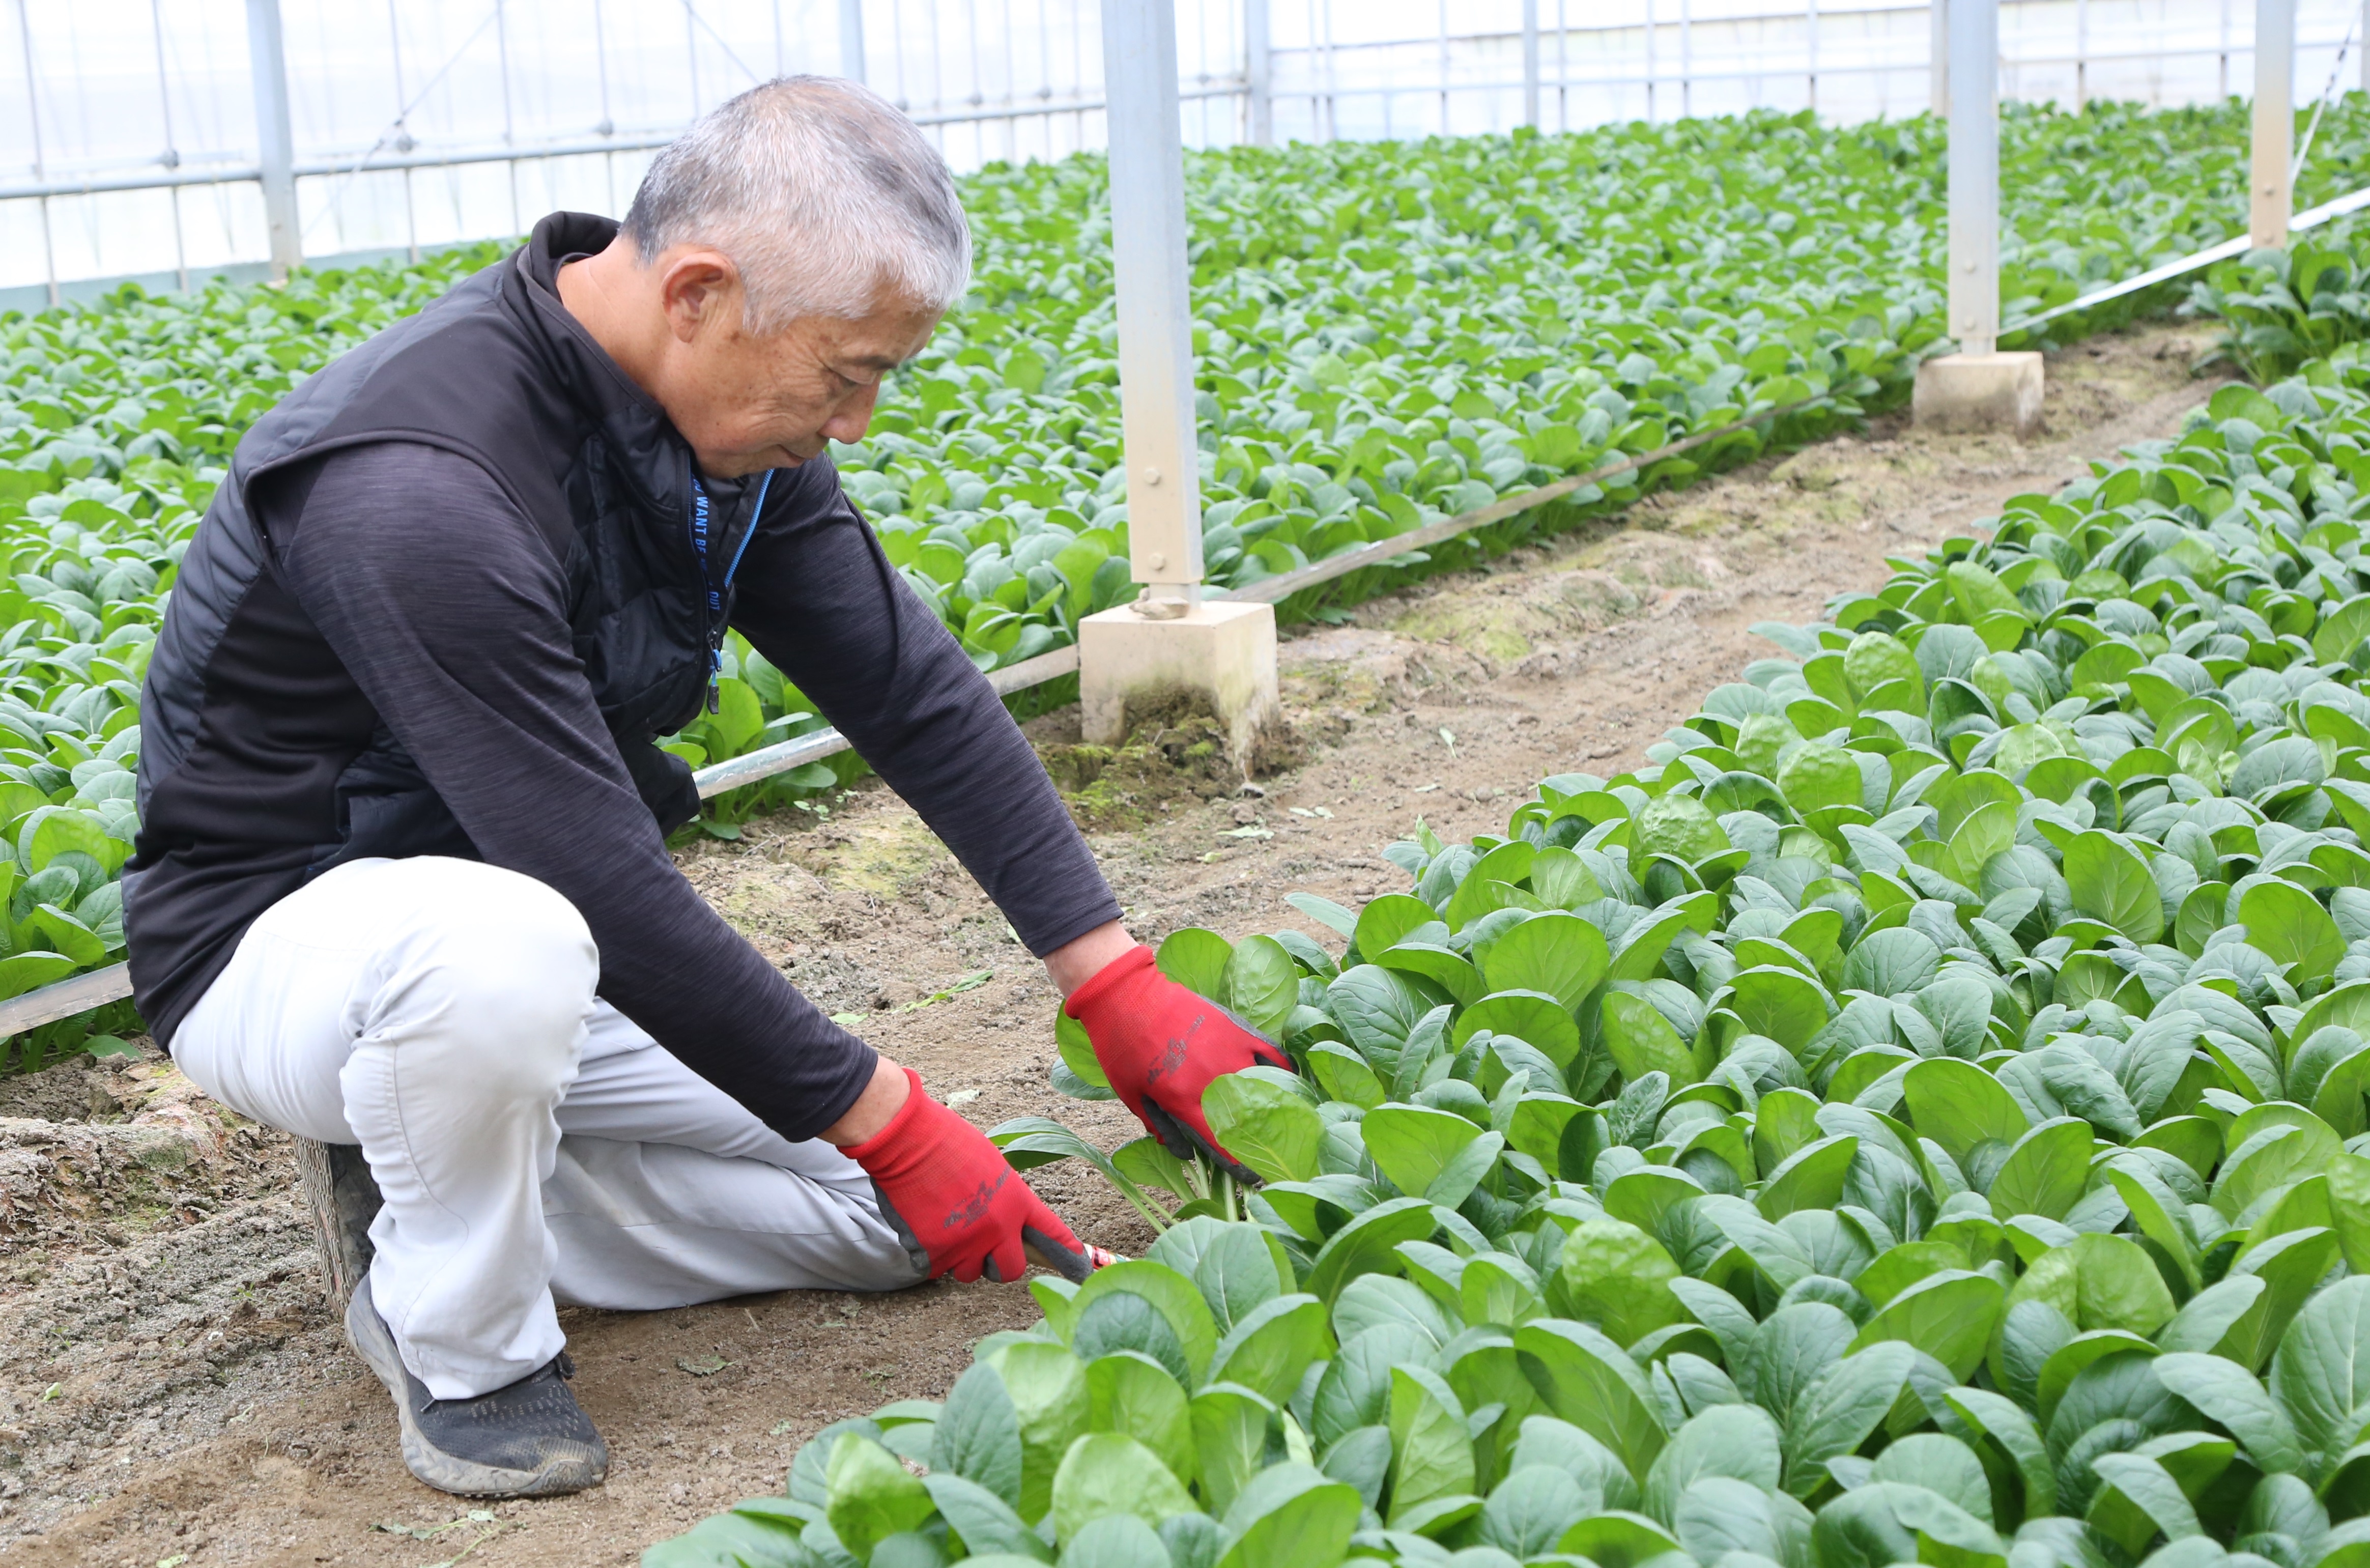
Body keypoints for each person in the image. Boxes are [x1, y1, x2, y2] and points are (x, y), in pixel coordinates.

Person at [120, 76, 1289, 1502]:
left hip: (555, 946)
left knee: (898, 1219)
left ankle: (465, 1191)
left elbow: (909, 693)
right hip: (293, 943)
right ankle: (464, 1340)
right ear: (699, 292)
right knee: (511, 952)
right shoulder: (416, 480)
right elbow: (594, 870)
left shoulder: (722, 437)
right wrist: (890, 1114)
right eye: (843, 370)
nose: (855, 421)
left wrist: (1110, 979)